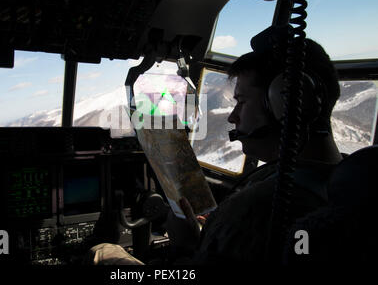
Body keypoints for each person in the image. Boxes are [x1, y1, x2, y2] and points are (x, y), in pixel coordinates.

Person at [86, 26, 343, 264]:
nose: (233, 116)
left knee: (103, 252)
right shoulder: (346, 181)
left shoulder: (260, 207)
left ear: (283, 104)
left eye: (241, 101)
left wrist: (185, 246)